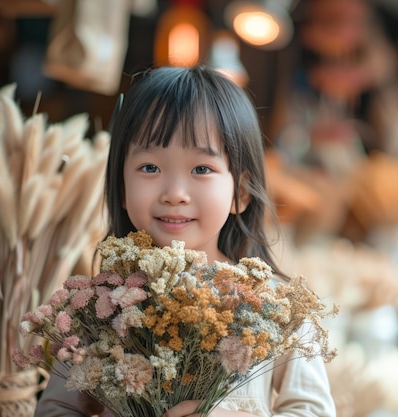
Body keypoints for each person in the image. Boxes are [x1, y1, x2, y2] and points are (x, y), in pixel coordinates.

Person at [34, 65, 336, 417]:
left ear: (240, 191)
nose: (175, 193)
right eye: (150, 167)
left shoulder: (278, 309)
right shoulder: (97, 309)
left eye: (201, 169)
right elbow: (54, 410)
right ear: (121, 187)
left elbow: (312, 410)